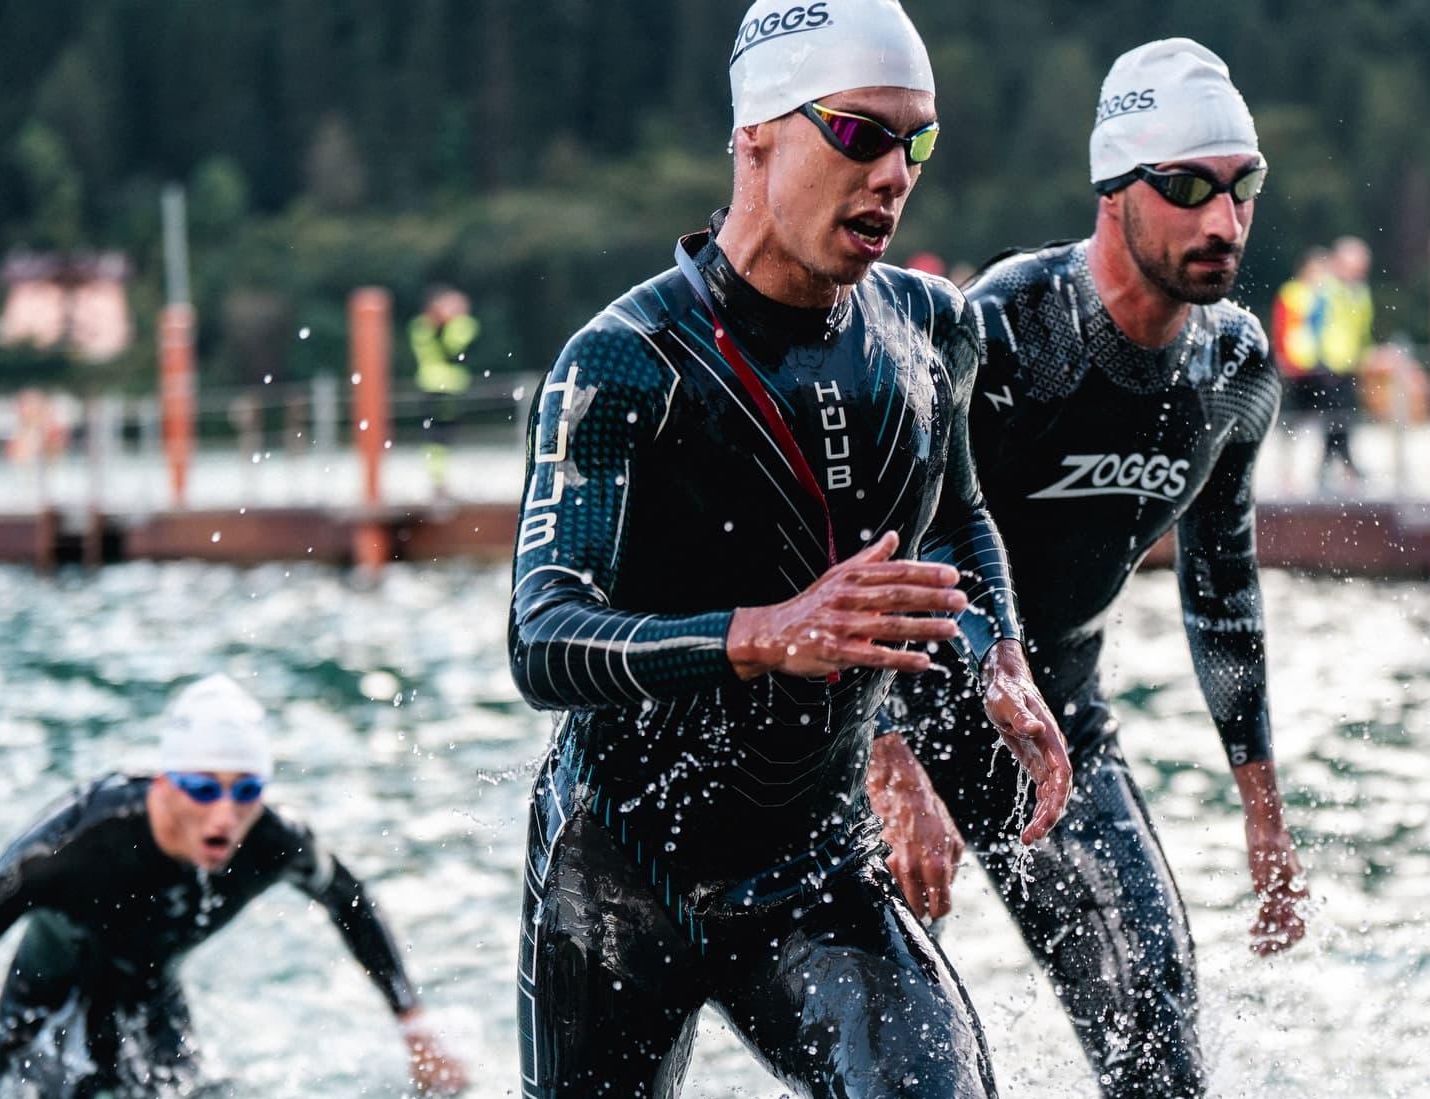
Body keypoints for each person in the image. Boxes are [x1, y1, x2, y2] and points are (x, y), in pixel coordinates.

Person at [505, 3, 1072, 1096]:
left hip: (813, 872)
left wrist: (997, 653)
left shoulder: (931, 328)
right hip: (617, 880)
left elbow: (954, 517)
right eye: (860, 134)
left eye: (917, 141)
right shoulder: (623, 362)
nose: (893, 174)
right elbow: (542, 635)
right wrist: (764, 635)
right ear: (756, 136)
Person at [867, 39, 1308, 1099]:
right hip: (892, 710)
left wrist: (1262, 810)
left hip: (1055, 725)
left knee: (1160, 1050)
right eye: (1187, 187)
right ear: (1114, 188)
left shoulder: (1233, 366)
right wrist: (889, 755)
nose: (1222, 219)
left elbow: (1221, 589)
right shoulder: (1012, 326)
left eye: (1241, 186)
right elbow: (879, 535)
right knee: (894, 1063)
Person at [0, 676, 467, 1099]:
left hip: (153, 1012)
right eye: (203, 789)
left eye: (246, 791)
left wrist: (414, 1027)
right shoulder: (71, 844)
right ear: (164, 783)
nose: (225, 816)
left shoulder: (273, 839)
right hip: (45, 1020)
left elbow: (352, 902)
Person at [409, 286, 480, 499]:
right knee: (439, 436)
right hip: (441, 388)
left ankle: (439, 481)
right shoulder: (431, 326)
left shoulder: (424, 326)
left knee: (440, 436)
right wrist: (457, 319)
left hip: (442, 387)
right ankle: (438, 481)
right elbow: (452, 349)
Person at [1316, 235, 1374, 488]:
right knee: (1335, 416)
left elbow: (1363, 329)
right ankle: (1342, 464)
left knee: (1344, 415)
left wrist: (1365, 355)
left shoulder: (1359, 292)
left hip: (1350, 363)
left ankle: (1331, 464)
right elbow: (1314, 326)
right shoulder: (1326, 290)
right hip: (1328, 363)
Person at [1271, 248, 1330, 492]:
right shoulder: (1292, 294)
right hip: (1296, 366)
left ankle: (1311, 472)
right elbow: (1282, 328)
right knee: (1292, 422)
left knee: (1318, 421)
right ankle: (1287, 473)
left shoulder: (1322, 295)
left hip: (1316, 365)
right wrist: (1284, 358)